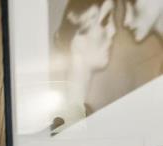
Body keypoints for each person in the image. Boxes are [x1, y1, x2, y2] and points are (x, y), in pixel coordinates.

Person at [50, 0, 119, 132]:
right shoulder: (66, 121)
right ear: (77, 39)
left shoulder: (84, 115)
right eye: (105, 21)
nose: (113, 30)